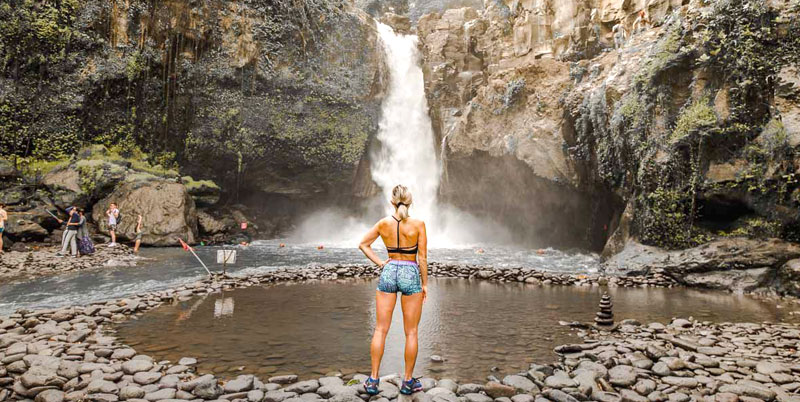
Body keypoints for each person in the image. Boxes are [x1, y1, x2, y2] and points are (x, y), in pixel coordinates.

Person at [358, 185, 428, 396]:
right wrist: (424, 283)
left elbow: (363, 244)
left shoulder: (383, 223)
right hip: (410, 272)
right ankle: (407, 382)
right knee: (411, 332)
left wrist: (381, 263)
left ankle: (372, 381)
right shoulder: (418, 224)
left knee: (380, 329)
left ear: (392, 202)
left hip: (389, 271)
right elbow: (422, 258)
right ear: (410, 201)